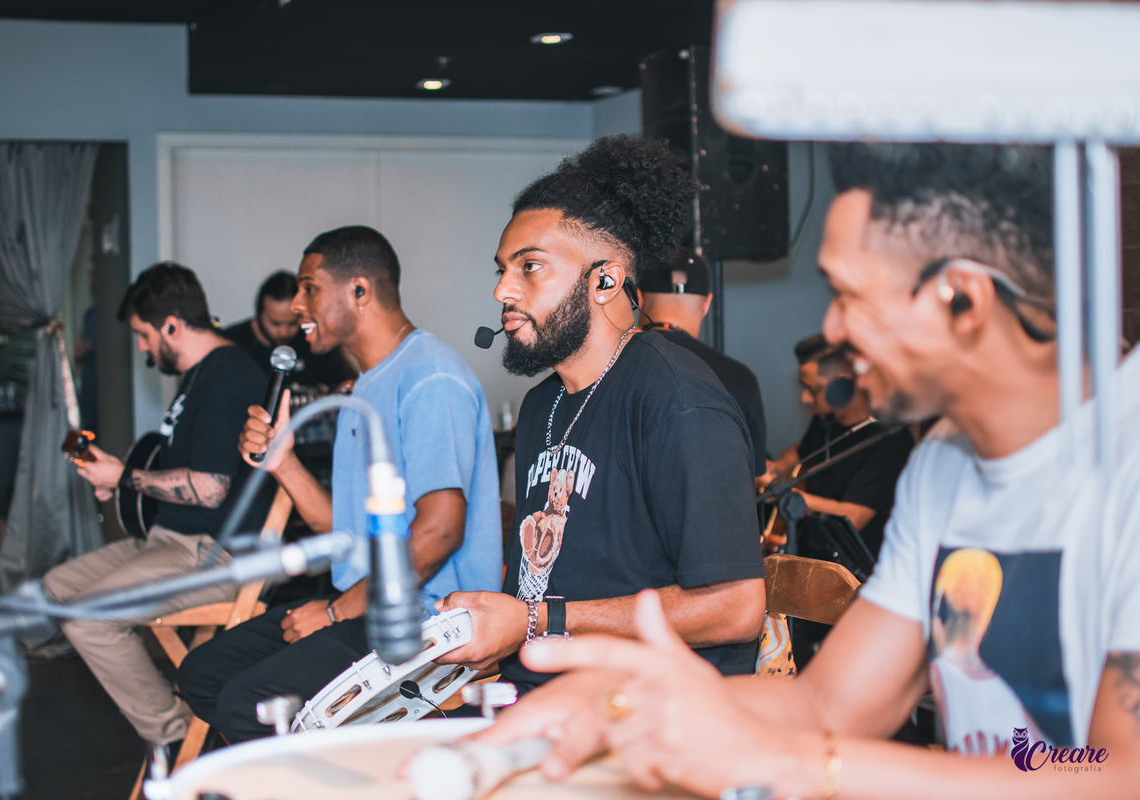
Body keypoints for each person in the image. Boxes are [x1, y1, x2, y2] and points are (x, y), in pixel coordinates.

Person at [472, 143, 1140, 798]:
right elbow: (831, 706)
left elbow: (1121, 775)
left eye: (850, 296)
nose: (832, 327)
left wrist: (802, 767)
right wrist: (616, 708)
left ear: (962, 299)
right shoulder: (944, 466)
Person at [430, 135, 767, 689]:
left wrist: (534, 622)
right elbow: (552, 579)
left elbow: (735, 607)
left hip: (645, 714)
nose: (502, 291)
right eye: (501, 270)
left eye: (529, 267)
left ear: (605, 280)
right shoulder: (545, 403)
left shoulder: (677, 398)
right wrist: (496, 627)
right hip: (540, 691)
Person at [176, 226, 503, 742]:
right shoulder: (368, 384)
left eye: (309, 288)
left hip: (424, 622)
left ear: (359, 291)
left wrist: (334, 611)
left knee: (247, 706)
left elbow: (440, 532)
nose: (297, 305)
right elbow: (340, 528)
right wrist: (282, 461)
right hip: (363, 600)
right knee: (203, 675)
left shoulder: (431, 377)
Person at [44, 262, 268, 751]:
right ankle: (182, 723)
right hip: (173, 537)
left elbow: (210, 489)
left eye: (144, 336)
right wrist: (118, 477)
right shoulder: (196, 376)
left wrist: (124, 476)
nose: (143, 349)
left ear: (171, 324)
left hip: (215, 552)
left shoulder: (227, 375)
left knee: (88, 616)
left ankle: (182, 738)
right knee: (57, 588)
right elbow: (181, 471)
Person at [762, 334, 914, 560]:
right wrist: (777, 468)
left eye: (812, 390)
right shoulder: (825, 421)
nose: (805, 398)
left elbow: (852, 517)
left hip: (855, 577)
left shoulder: (888, 442)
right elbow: (801, 452)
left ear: (843, 384)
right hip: (813, 562)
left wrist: (785, 493)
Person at [637, 246, 767, 461]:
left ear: (639, 299)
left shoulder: (607, 368)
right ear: (707, 303)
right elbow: (752, 474)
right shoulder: (740, 378)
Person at [222, 270, 355, 388]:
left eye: (292, 323)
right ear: (259, 314)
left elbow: (346, 383)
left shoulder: (314, 339)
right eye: (275, 323)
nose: (284, 332)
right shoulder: (232, 343)